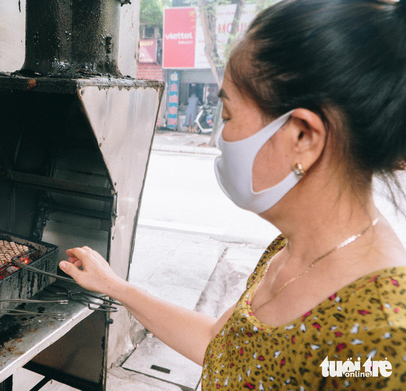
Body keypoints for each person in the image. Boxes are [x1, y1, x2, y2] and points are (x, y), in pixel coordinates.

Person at [59, 0, 406, 389]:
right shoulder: (289, 247)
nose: (222, 137)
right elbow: (219, 343)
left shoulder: (383, 339)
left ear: (302, 137)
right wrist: (115, 287)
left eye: (227, 115)